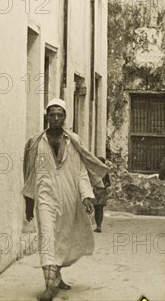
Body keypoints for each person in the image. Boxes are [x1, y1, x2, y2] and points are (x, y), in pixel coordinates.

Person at [22, 98, 108, 301]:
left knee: (63, 239)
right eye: (52, 114)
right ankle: (49, 286)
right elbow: (30, 174)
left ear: (65, 117)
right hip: (45, 197)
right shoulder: (35, 142)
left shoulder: (74, 141)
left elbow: (81, 172)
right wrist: (29, 201)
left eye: (60, 114)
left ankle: (57, 275)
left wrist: (87, 197)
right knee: (48, 237)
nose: (56, 118)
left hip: (69, 198)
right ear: (47, 117)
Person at [93, 156, 111, 233]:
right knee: (96, 209)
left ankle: (99, 226)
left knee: (100, 209)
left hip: (102, 192)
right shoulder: (94, 171)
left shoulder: (105, 172)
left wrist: (103, 186)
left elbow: (109, 183)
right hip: (95, 191)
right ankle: (97, 225)